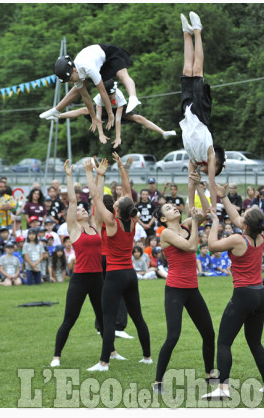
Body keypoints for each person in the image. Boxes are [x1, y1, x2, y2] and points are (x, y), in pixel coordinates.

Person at [202, 183, 264, 400]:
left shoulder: (237, 239)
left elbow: (212, 245)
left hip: (243, 296)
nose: (240, 214)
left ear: (245, 225)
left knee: (223, 342)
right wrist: (223, 198)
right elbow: (238, 219)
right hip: (260, 294)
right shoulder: (259, 236)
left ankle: (223, 389)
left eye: (244, 214)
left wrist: (215, 222)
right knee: (255, 343)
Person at [51, 158, 122, 367]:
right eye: (80, 210)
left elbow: (97, 198)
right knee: (69, 319)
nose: (82, 210)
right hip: (80, 279)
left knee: (103, 317)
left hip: (97, 277)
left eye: (84, 209)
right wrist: (69, 176)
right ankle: (56, 356)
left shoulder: (94, 225)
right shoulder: (74, 229)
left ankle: (112, 351)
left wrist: (100, 175)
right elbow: (73, 202)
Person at [85, 153, 151, 371]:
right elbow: (127, 193)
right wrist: (123, 170)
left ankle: (104, 362)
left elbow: (96, 197)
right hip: (130, 275)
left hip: (114, 275)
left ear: (116, 209)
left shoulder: (111, 224)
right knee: (138, 317)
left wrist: (92, 174)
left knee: (108, 317)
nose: (118, 197)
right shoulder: (131, 222)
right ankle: (147, 357)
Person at [153, 177, 214, 393]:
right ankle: (158, 382)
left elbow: (206, 212)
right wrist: (195, 222)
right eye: (168, 208)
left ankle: (209, 375)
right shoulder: (166, 233)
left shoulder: (186, 225)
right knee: (173, 336)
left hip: (192, 289)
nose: (174, 208)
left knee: (208, 333)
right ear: (163, 218)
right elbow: (190, 247)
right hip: (175, 290)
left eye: (174, 205)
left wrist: (199, 187)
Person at [178, 12, 226, 212]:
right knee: (198, 70)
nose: (206, 171)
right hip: (200, 113)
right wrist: (214, 206)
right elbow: (213, 184)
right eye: (210, 170)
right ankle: (198, 30)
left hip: (187, 111)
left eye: (206, 171)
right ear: (217, 165)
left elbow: (191, 182)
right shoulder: (210, 153)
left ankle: (186, 33)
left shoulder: (193, 159)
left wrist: (190, 205)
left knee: (186, 71)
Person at [40, 44, 142, 132]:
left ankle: (133, 97)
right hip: (98, 63)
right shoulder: (76, 73)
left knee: (122, 74)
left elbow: (102, 91)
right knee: (77, 89)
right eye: (68, 81)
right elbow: (85, 97)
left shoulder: (88, 68)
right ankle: (56, 110)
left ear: (74, 69)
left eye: (70, 79)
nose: (70, 82)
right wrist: (93, 117)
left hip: (109, 54)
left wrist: (110, 114)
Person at [52, 79, 176, 147]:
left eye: (113, 93)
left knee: (139, 118)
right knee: (84, 110)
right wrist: (101, 134)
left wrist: (118, 137)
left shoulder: (119, 97)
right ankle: (58, 115)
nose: (112, 96)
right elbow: (98, 116)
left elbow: (117, 119)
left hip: (117, 112)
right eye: (110, 94)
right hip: (105, 111)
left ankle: (163, 132)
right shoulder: (100, 98)